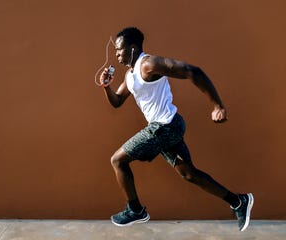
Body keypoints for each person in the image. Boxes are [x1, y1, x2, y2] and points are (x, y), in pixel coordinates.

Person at [98, 27, 254, 231]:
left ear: (133, 48)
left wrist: (218, 105)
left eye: (120, 49)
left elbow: (192, 71)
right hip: (168, 126)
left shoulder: (148, 64)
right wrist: (106, 87)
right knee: (189, 174)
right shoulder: (130, 75)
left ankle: (135, 210)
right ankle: (239, 202)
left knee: (117, 160)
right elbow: (117, 101)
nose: (117, 54)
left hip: (164, 126)